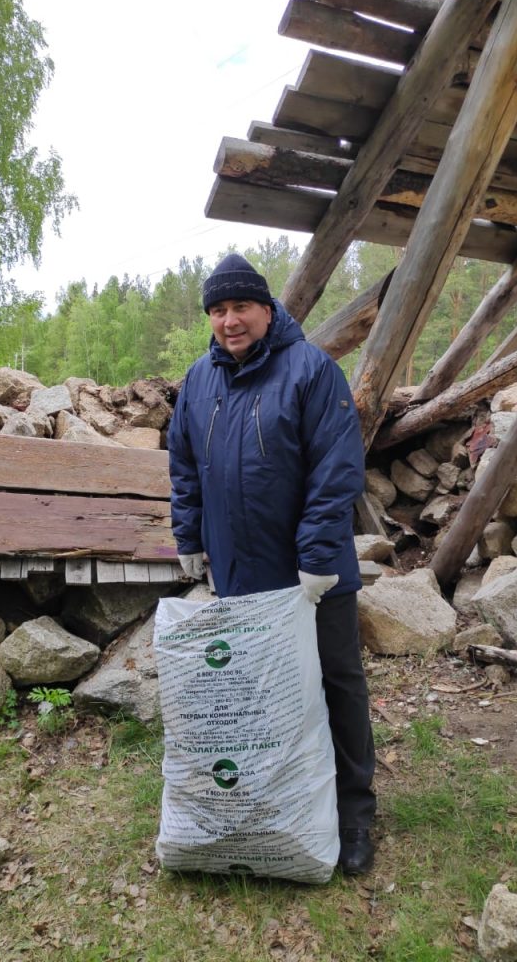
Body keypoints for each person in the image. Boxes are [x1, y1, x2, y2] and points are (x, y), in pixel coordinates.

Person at [166, 252, 377, 875]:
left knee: (338, 684)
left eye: (241, 307)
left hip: (315, 577)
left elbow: (335, 474)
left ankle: (355, 814)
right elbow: (184, 468)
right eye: (218, 310)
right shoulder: (198, 381)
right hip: (240, 575)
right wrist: (189, 537)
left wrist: (315, 560)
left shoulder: (311, 372)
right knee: (259, 697)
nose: (230, 321)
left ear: (266, 309)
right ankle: (276, 803)